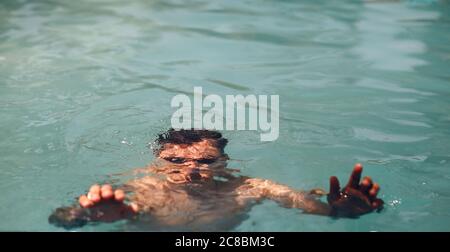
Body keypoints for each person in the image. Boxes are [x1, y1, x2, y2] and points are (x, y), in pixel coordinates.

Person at [49, 129, 384, 230]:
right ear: (155, 163)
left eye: (207, 161)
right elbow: (59, 218)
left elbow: (313, 207)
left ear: (226, 164)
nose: (193, 170)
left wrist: (343, 212)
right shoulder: (138, 187)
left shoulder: (251, 188)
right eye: (175, 161)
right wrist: (85, 215)